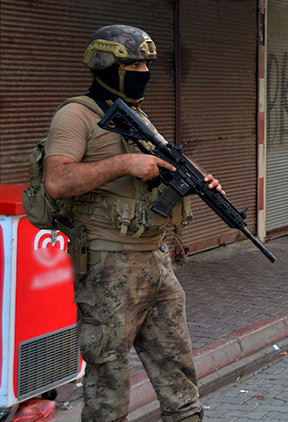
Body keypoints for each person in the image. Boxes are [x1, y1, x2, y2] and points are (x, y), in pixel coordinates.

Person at [43, 25, 222, 421]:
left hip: (155, 258)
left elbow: (164, 158)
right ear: (108, 66)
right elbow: (57, 181)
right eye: (135, 65)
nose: (145, 72)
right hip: (108, 263)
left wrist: (197, 177)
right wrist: (124, 163)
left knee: (178, 372)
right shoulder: (76, 116)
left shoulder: (135, 114)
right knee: (108, 379)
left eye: (146, 65)